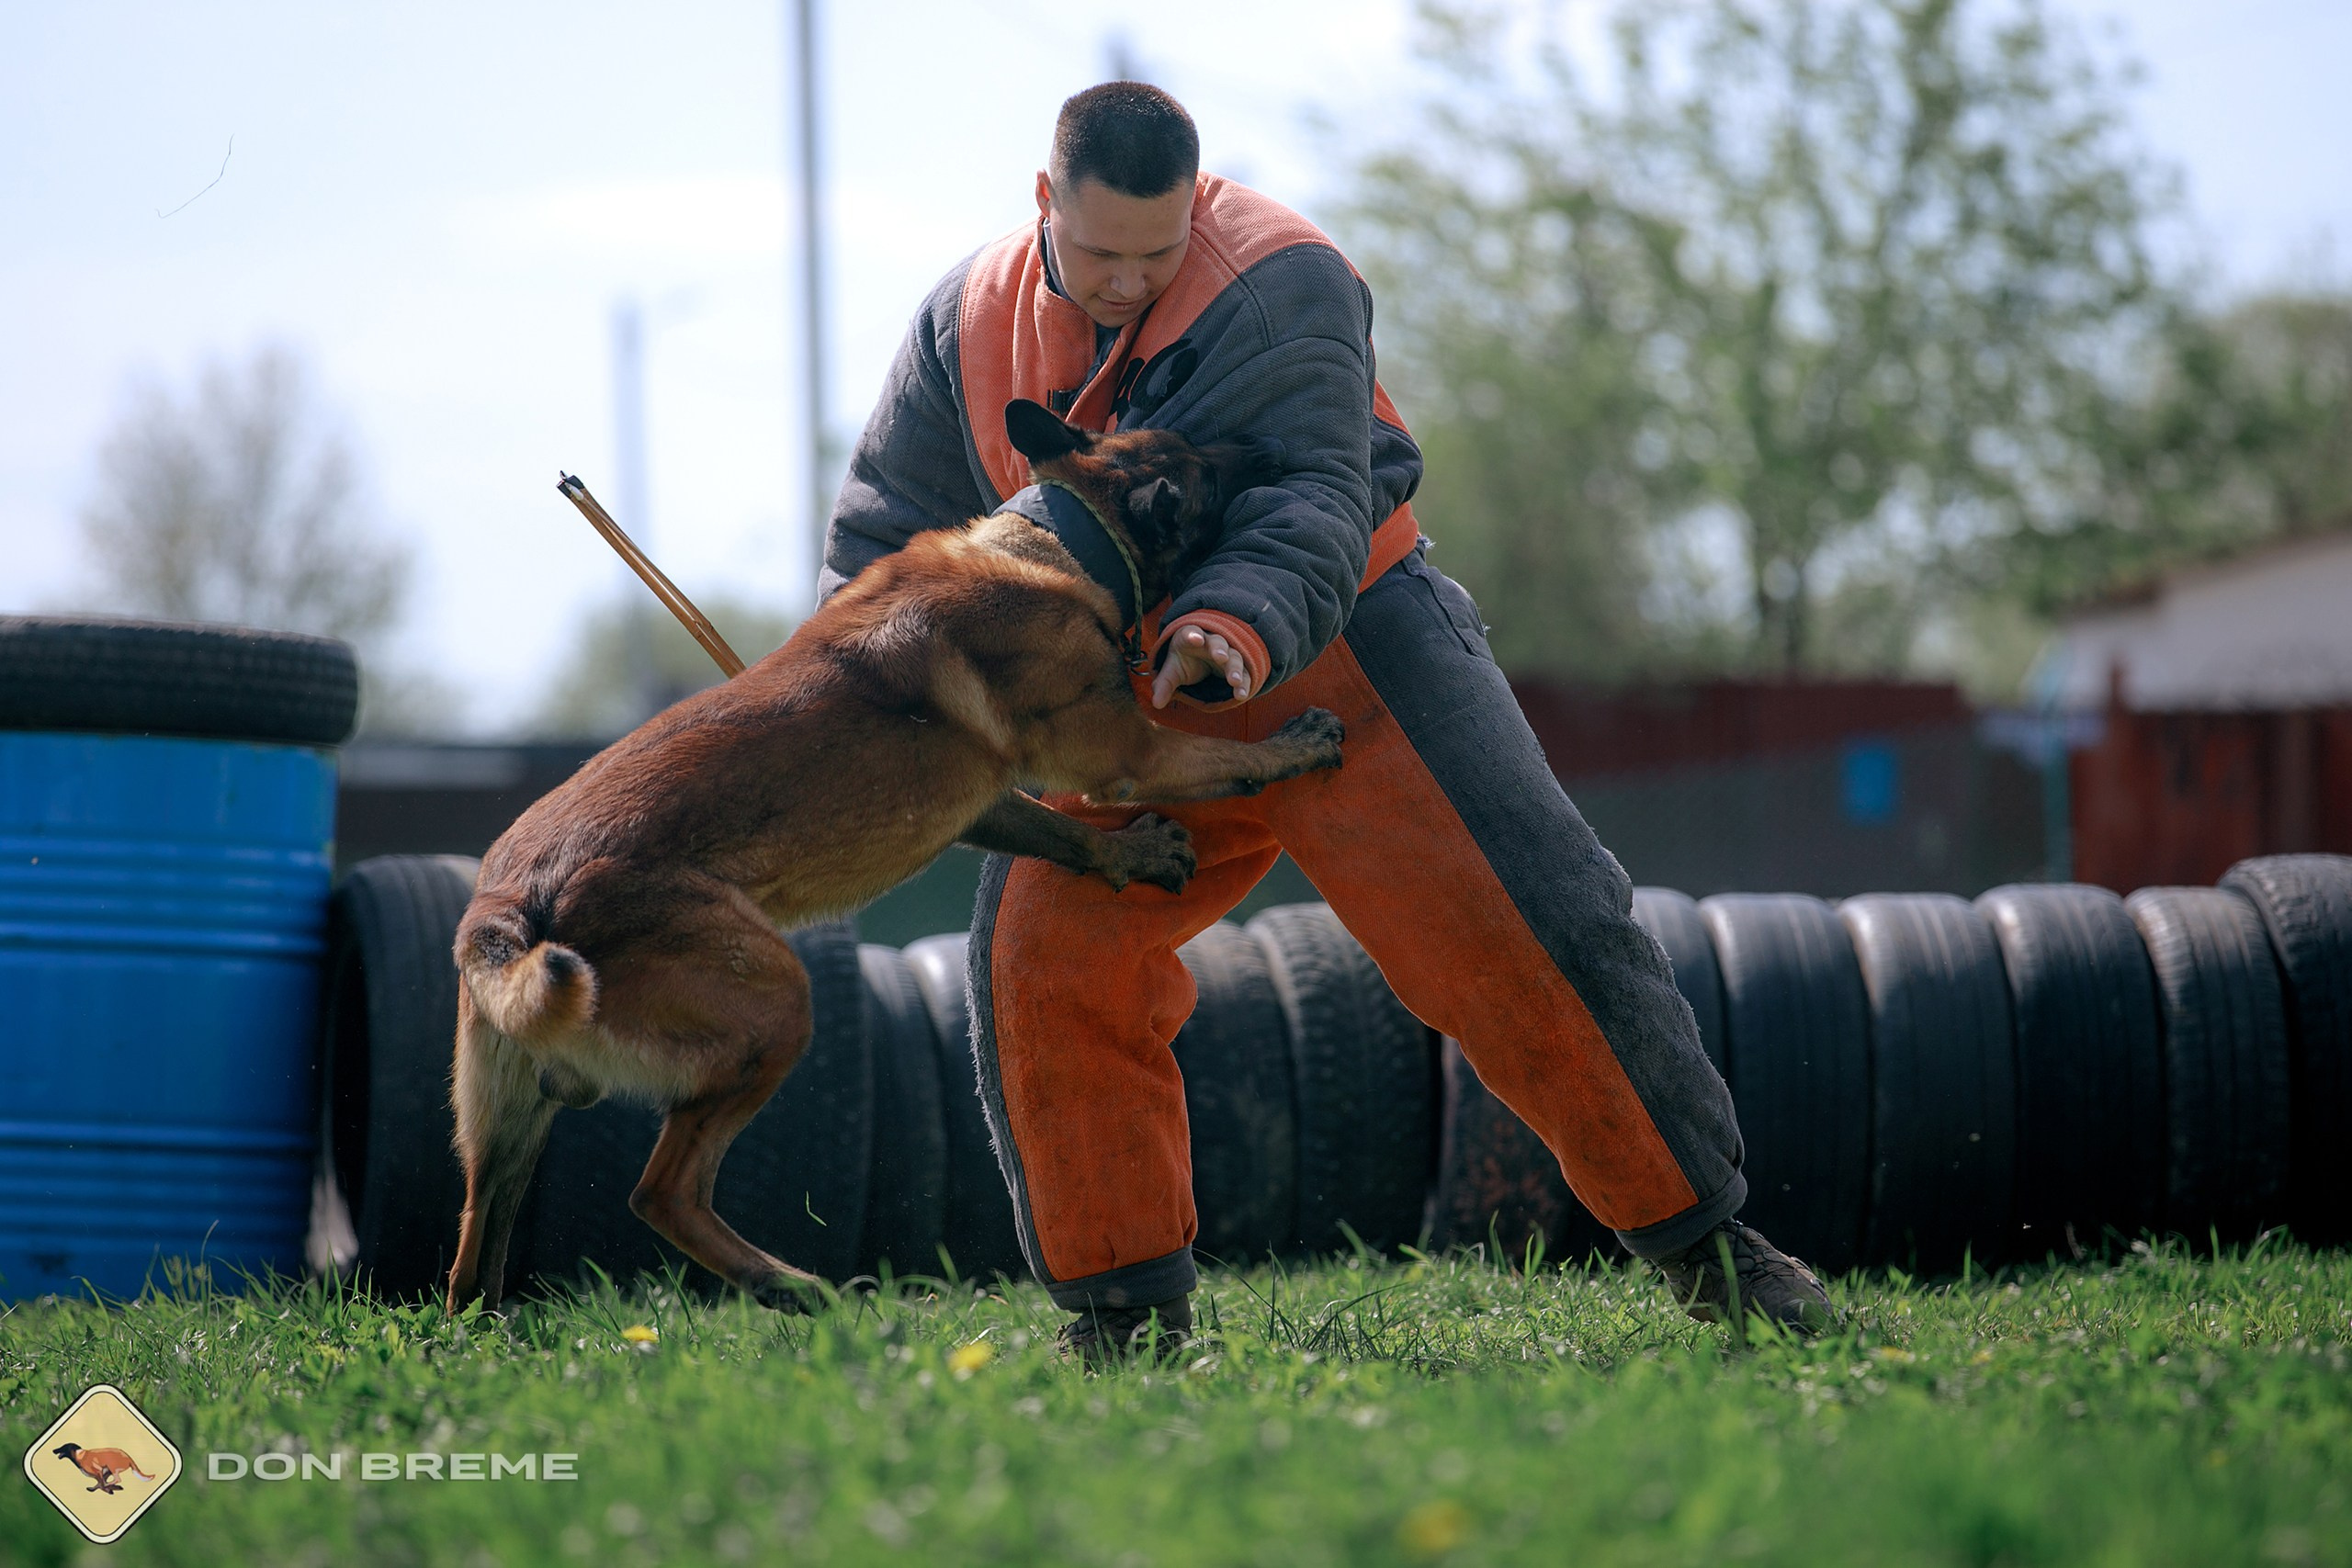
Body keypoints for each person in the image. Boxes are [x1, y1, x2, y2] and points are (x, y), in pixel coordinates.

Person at [822, 82, 1835, 1359]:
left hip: (1354, 648)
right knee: (1040, 967)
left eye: (1158, 249)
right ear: (1043, 204)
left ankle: (1710, 1248)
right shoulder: (958, 326)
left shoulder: (1285, 279)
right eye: (1100, 255)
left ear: (1199, 205)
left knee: (1535, 931)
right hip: (1123, 699)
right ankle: (1120, 1321)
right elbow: (886, 542)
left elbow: (1313, 493)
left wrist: (1230, 630)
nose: (1131, 280)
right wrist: (861, 681)